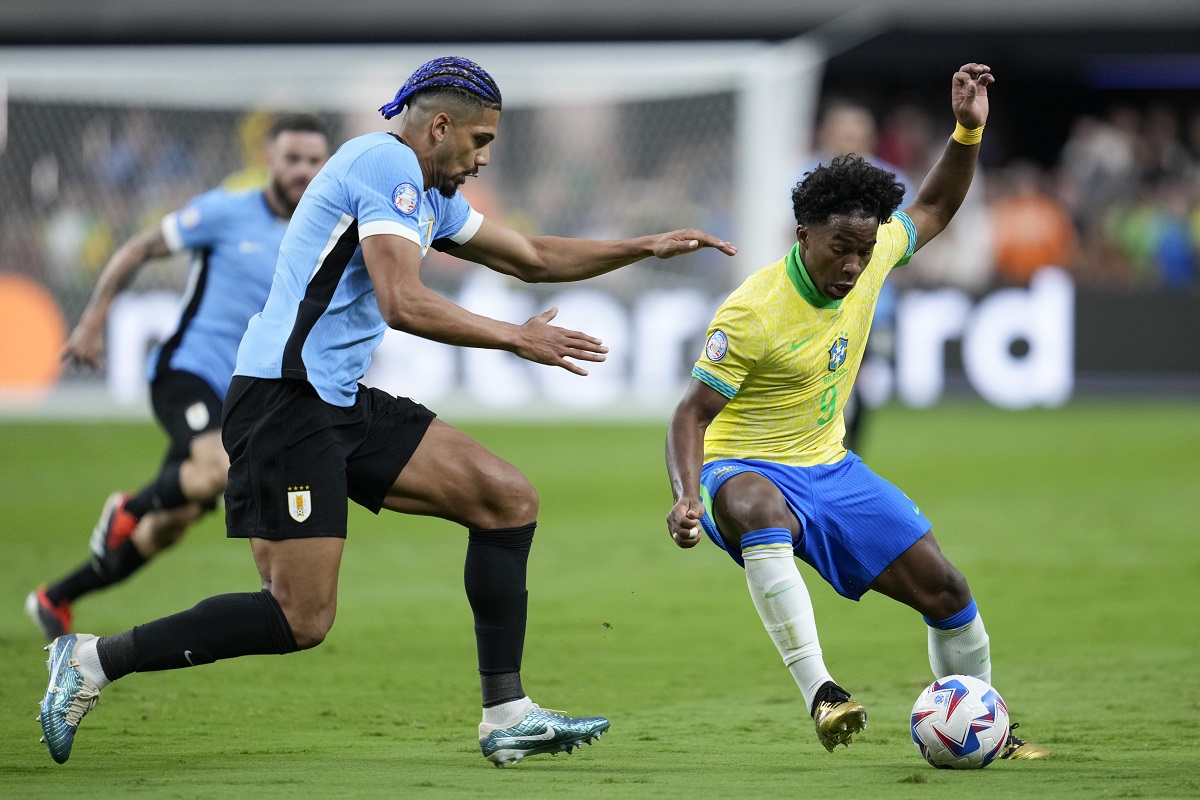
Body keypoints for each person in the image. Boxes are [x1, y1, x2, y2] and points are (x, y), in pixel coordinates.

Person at [37, 56, 737, 768]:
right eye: (481, 141)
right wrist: (514, 337)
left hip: (332, 398)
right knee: (298, 618)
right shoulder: (382, 166)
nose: (484, 158)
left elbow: (530, 256)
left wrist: (644, 247)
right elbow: (402, 301)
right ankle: (92, 660)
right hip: (285, 400)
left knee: (506, 498)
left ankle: (507, 714)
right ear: (439, 126)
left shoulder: (427, 191)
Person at [664, 64, 1049, 759]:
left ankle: (990, 728)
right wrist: (688, 498)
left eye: (864, 251)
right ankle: (822, 694)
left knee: (947, 590)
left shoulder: (872, 259)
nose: (853, 265)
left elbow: (933, 207)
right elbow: (690, 415)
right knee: (758, 506)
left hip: (830, 468)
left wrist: (968, 128)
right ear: (803, 233)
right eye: (841, 248)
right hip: (740, 467)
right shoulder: (753, 311)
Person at [26, 113, 332, 640]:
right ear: (268, 160)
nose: (302, 171)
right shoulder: (224, 211)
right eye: (292, 159)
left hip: (245, 395)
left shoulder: (322, 233)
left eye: (313, 161)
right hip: (188, 371)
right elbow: (140, 247)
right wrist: (94, 320)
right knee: (216, 468)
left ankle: (56, 598)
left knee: (170, 525)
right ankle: (130, 504)